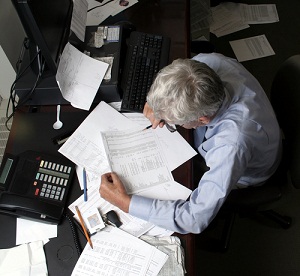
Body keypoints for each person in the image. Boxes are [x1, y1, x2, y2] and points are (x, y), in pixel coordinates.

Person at [99, 53, 281, 234]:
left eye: (175, 123)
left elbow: (194, 219)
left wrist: (125, 202)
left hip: (248, 173)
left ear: (202, 119)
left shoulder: (232, 145)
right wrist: (158, 105)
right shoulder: (204, 64)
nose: (165, 123)